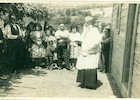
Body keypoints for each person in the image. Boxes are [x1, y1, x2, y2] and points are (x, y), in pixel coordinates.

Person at [76, 16, 102, 89]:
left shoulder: (95, 30)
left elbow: (96, 41)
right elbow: (81, 38)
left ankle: (90, 83)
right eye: (86, 22)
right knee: (84, 66)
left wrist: (88, 47)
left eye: (88, 22)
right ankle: (83, 82)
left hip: (91, 52)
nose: (87, 24)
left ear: (92, 23)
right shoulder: (86, 30)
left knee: (90, 66)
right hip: (84, 52)